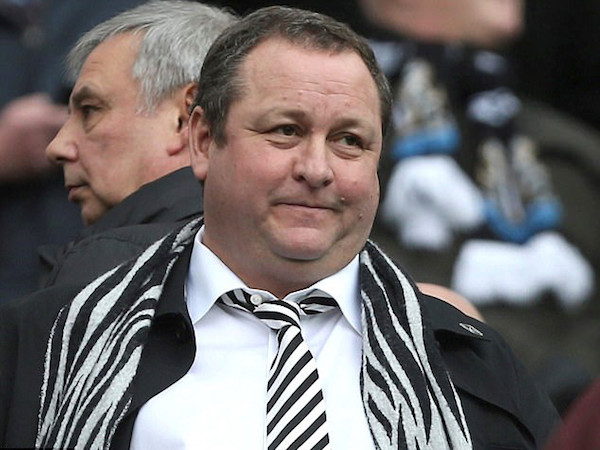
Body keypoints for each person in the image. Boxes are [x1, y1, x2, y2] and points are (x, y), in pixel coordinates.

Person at [0, 6, 559, 449]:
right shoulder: (49, 340)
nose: (316, 170)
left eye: (349, 141)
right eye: (286, 130)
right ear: (202, 140)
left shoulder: (466, 359)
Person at [38, 0, 237, 287]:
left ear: (185, 118)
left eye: (90, 110)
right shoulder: (278, 255)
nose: (56, 148)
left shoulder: (102, 277)